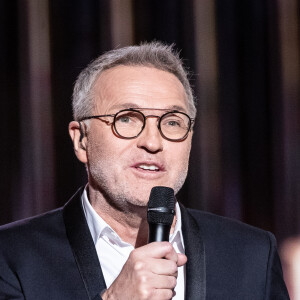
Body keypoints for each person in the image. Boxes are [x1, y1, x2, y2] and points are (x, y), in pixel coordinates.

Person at [0, 42, 289, 299]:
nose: (153, 142)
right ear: (81, 140)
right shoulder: (12, 255)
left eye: (173, 122)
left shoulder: (251, 254)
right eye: (126, 119)